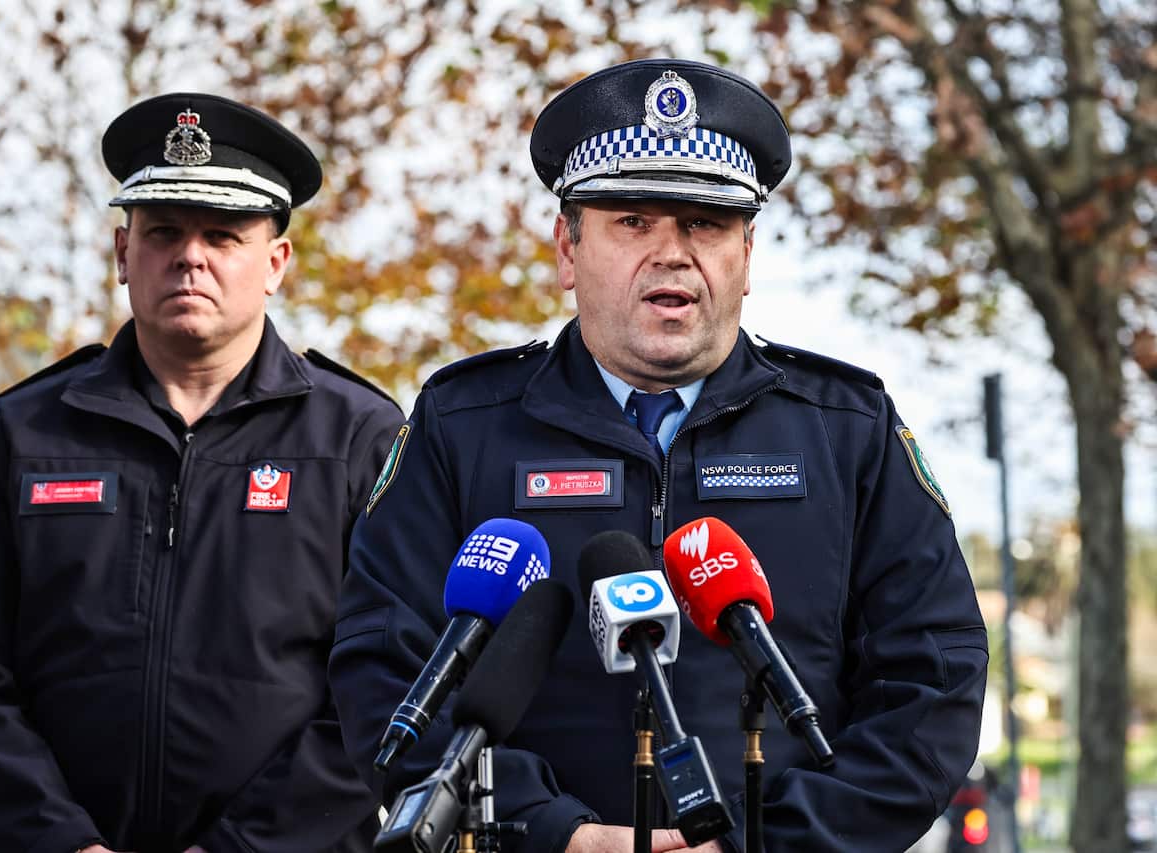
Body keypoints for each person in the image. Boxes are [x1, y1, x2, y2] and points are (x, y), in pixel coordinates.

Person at [329, 59, 988, 853]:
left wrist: (761, 842)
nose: (672, 253)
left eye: (704, 223)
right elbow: (382, 669)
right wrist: (554, 833)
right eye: (633, 221)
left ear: (747, 254)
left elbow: (933, 681)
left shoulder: (847, 428)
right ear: (568, 250)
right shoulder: (461, 423)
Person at [0, 93, 404, 853]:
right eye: (165, 232)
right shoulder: (26, 431)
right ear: (123, 253)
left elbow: (388, 684)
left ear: (275, 262)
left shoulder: (361, 437)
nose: (191, 256)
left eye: (223, 235)